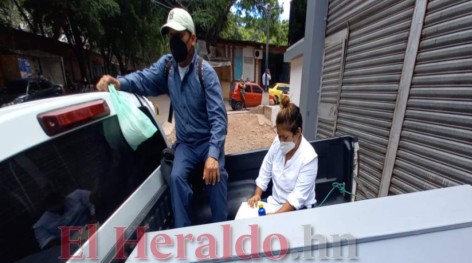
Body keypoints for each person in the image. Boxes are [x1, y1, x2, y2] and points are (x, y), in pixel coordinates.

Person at [96, 8, 228, 228]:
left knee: (217, 178)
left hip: (206, 142)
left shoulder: (206, 73)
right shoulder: (167, 67)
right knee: (176, 178)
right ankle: (182, 235)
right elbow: (144, 79)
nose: (173, 41)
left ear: (192, 39)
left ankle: (222, 232)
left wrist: (213, 155)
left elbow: (219, 120)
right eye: (170, 36)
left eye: (179, 36)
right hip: (185, 144)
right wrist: (118, 83)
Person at [247, 95, 318, 214]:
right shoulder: (277, 142)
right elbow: (266, 167)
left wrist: (275, 217)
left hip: (299, 210)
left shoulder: (309, 157)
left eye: (285, 137)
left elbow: (297, 198)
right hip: (274, 203)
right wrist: (257, 194)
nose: (281, 141)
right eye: (279, 135)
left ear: (298, 132)